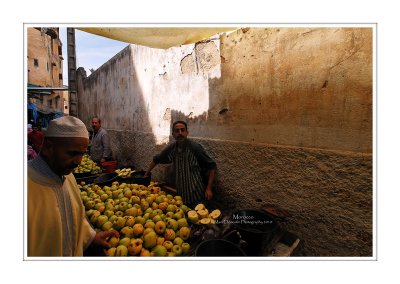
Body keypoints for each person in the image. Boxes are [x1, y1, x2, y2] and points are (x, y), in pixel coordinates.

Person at [27, 116, 119, 256]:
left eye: (82, 154)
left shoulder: (68, 177)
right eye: (73, 153)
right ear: (48, 147)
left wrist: (91, 237)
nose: (79, 162)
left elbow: (74, 217)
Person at [144, 121, 217, 208]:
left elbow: (212, 166)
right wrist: (146, 174)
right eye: (177, 131)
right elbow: (157, 159)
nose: (180, 133)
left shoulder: (195, 148)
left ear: (187, 132)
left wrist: (209, 189)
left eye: (182, 130)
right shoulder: (172, 148)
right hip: (181, 195)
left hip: (197, 194)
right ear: (173, 134)